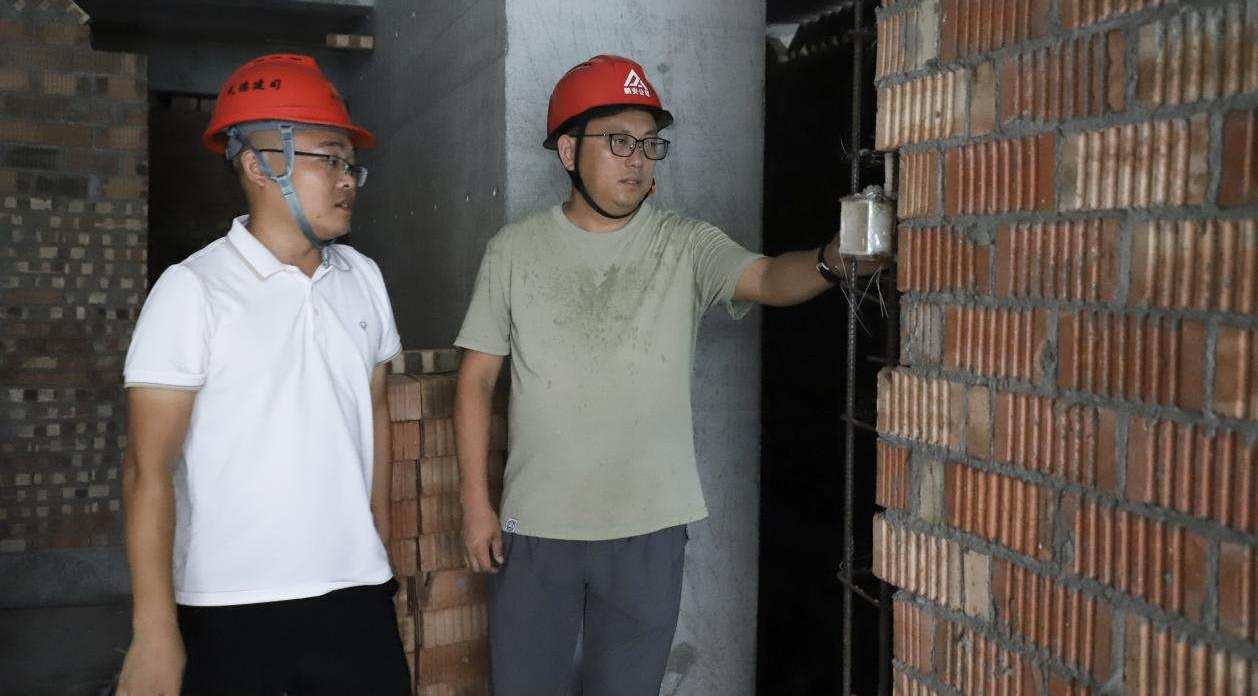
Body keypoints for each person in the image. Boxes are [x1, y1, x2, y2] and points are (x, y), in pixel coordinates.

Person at [454, 54, 859, 695]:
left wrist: (832, 261)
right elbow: (476, 382)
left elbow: (767, 278)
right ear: (568, 151)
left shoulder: (686, 244)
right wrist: (476, 505)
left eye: (649, 144)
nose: (638, 160)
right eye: (619, 142)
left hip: (648, 530)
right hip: (536, 528)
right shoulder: (512, 250)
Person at [117, 54, 411, 696]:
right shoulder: (192, 290)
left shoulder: (363, 278)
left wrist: (380, 548)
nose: (347, 180)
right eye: (327, 159)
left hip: (356, 594)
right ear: (258, 164)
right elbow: (146, 469)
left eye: (351, 164)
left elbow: (374, 418)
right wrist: (154, 629)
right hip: (229, 606)